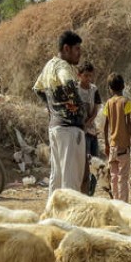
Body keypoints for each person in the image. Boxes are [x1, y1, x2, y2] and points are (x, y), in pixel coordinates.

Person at [33, 30, 86, 195]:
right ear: (66, 48)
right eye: (77, 49)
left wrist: (53, 107)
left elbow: (37, 89)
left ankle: (52, 215)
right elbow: (68, 83)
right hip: (69, 129)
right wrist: (79, 108)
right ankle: (69, 217)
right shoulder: (63, 66)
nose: (80, 53)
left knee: (56, 176)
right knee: (71, 178)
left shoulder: (49, 65)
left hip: (55, 128)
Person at [103, 73, 131, 202]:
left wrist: (106, 143)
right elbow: (128, 124)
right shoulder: (126, 102)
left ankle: (115, 203)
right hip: (123, 146)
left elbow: (105, 126)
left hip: (112, 145)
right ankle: (123, 204)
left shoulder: (108, 103)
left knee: (114, 177)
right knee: (123, 178)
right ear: (123, 86)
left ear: (110, 88)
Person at [76, 61, 102, 196]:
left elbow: (96, 109)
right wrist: (82, 125)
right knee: (84, 164)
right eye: (86, 76)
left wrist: (89, 122)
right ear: (79, 75)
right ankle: (84, 193)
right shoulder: (75, 90)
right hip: (80, 133)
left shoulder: (93, 89)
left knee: (95, 163)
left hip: (91, 131)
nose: (88, 79)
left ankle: (90, 193)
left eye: (90, 76)